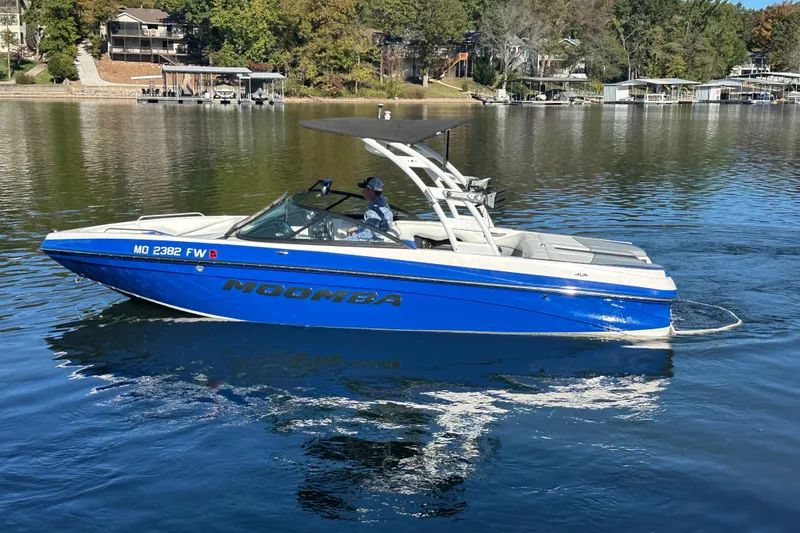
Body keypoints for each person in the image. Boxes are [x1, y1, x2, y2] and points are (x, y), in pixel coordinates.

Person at [346, 177, 394, 241]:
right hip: (380, 233)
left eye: (364, 189)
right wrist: (357, 229)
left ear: (371, 191)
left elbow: (367, 236)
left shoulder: (373, 212)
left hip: (376, 240)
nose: (362, 191)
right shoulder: (382, 201)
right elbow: (371, 226)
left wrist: (345, 240)